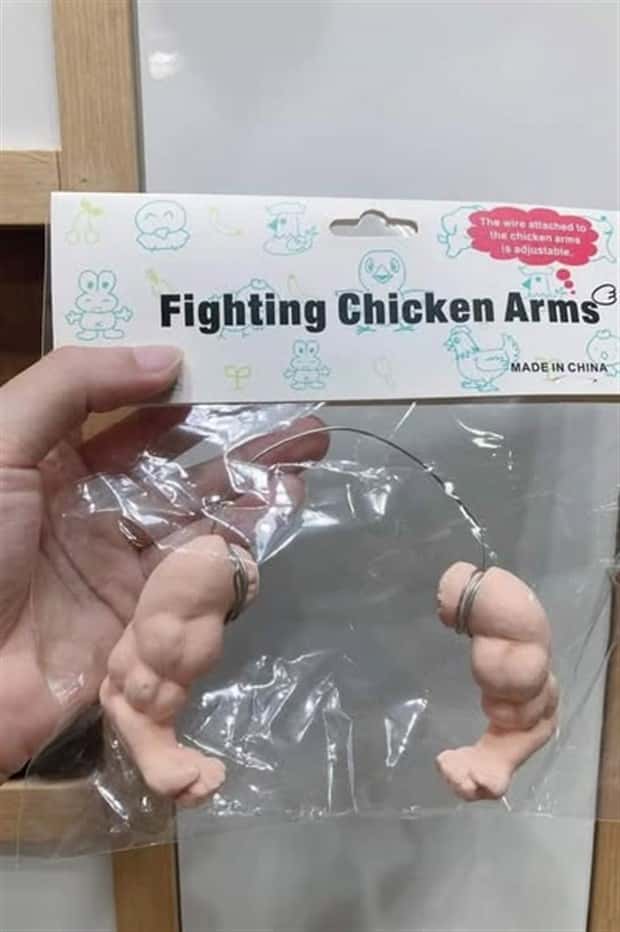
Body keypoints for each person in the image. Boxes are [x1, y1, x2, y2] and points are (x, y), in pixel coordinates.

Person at [0, 345, 326, 785]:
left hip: (140, 678)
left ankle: (151, 738)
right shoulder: (160, 635)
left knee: (154, 680)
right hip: (141, 679)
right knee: (151, 683)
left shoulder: (168, 629)